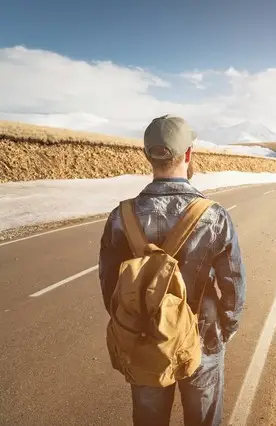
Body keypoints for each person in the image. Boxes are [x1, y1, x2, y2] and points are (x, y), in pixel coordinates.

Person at [98, 114, 246, 426]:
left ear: (147, 155)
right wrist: (224, 329)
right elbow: (233, 284)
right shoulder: (214, 216)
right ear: (189, 155)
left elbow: (109, 284)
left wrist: (130, 325)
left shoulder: (120, 216)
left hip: (144, 336)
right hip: (203, 335)